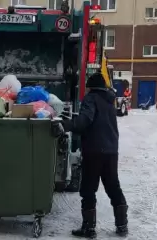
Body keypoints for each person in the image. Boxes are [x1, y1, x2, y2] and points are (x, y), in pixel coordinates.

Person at [61, 72, 128, 238]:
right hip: (111, 151)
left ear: (91, 87)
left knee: (88, 189)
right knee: (113, 187)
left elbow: (85, 121)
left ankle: (88, 228)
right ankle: (122, 225)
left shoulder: (91, 98)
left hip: (94, 151)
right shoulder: (109, 100)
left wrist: (66, 125)